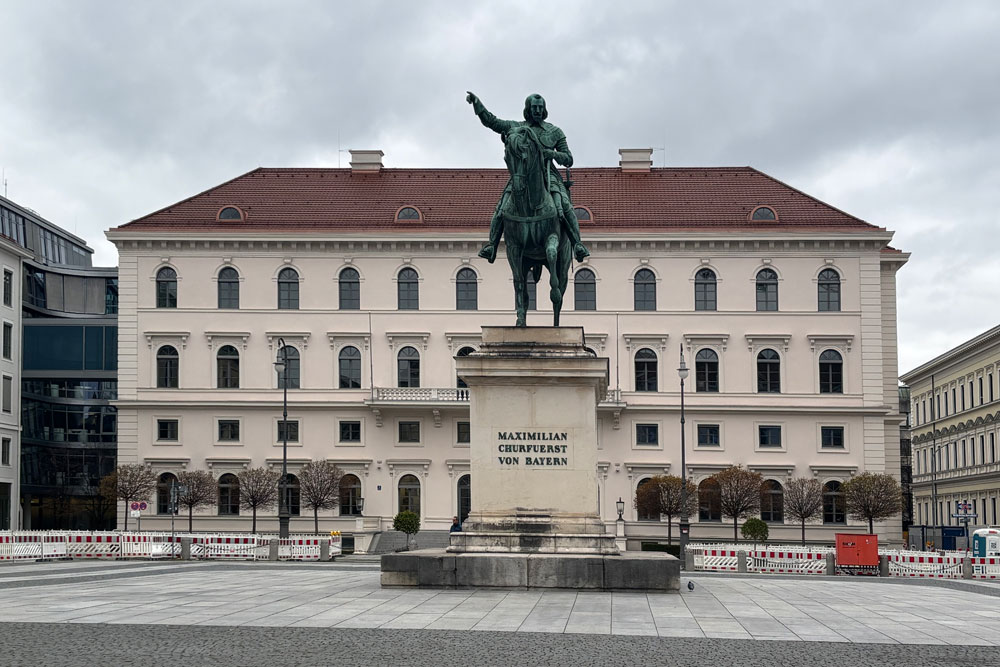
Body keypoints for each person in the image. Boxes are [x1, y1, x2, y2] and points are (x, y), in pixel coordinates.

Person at [466, 91, 590, 264]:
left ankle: (577, 245)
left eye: (540, 108)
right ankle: (491, 246)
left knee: (564, 204)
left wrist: (551, 154)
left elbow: (568, 158)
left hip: (549, 176)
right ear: (528, 109)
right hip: (521, 176)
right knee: (501, 208)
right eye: (534, 107)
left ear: (544, 109)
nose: (537, 111)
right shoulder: (517, 128)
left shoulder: (554, 132)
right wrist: (478, 105)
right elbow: (493, 122)